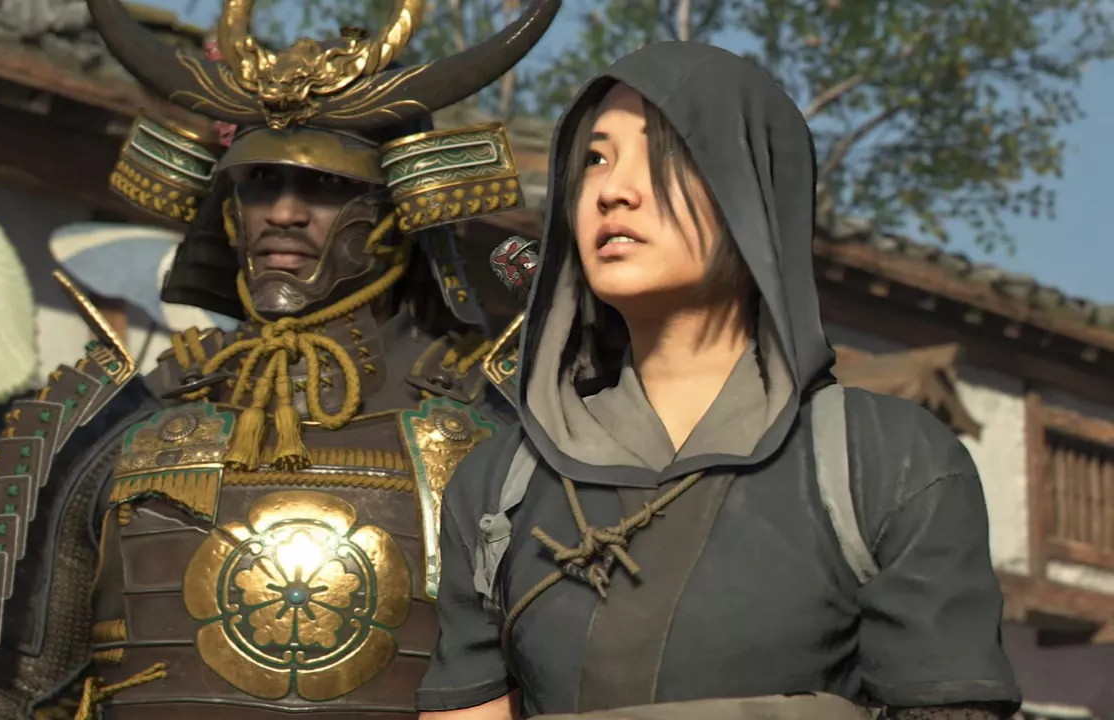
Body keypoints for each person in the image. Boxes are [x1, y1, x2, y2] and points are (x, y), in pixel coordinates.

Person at [0, 1, 559, 718]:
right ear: (228, 209)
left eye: (325, 186)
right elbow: (10, 691)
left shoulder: (495, 433)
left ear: (399, 207)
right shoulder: (122, 425)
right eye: (260, 183)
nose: (282, 213)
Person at [417, 42, 1021, 720]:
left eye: (665, 154)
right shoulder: (500, 484)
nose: (613, 190)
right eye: (595, 159)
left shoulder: (885, 462)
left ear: (751, 191)